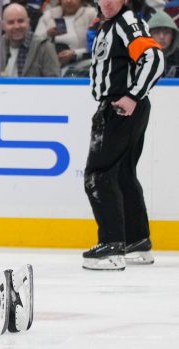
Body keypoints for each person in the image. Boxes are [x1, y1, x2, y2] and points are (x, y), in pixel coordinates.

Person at [83, 0, 164, 271]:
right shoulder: (111, 25)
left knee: (98, 174)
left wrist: (132, 96)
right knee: (122, 174)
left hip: (121, 107)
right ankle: (137, 241)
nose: (106, 2)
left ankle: (112, 246)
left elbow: (154, 58)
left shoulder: (128, 23)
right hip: (121, 106)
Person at [0, 2, 60, 77]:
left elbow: (55, 83)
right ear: (3, 26)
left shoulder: (45, 47)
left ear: (28, 22)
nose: (16, 26)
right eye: (11, 22)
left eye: (20, 21)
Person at [34, 0, 97, 71]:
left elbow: (98, 46)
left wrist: (75, 54)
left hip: (82, 66)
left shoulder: (91, 14)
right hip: (48, 67)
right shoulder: (48, 15)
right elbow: (35, 43)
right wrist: (48, 34)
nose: (69, 1)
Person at [148, 10, 179, 77]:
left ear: (173, 35)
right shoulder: (139, 58)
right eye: (156, 32)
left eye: (167, 32)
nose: (162, 37)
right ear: (149, 35)